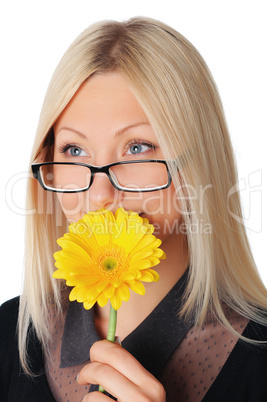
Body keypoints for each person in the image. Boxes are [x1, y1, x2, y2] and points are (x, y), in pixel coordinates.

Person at [1, 17, 267, 402]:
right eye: (74, 151)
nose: (100, 194)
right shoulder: (10, 337)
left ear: (199, 162)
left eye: (137, 148)